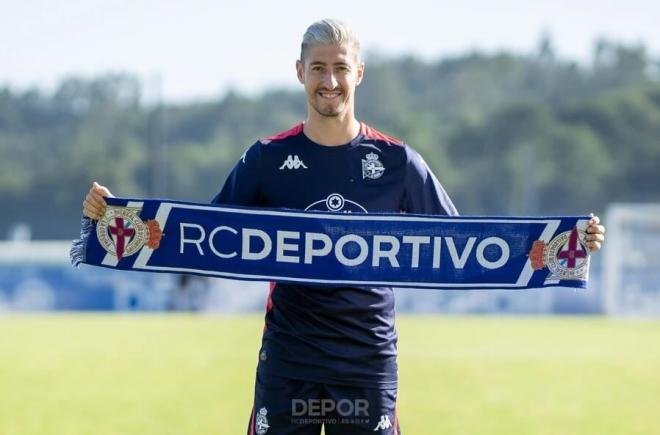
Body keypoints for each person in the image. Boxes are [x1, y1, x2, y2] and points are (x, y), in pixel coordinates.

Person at [82, 18, 606, 435]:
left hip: (367, 361)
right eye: (317, 68)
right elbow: (202, 236)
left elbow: (464, 245)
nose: (328, 81)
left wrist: (565, 246)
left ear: (359, 73)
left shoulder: (399, 163)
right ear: (299, 73)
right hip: (290, 360)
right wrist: (113, 219)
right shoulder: (266, 159)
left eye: (339, 67)